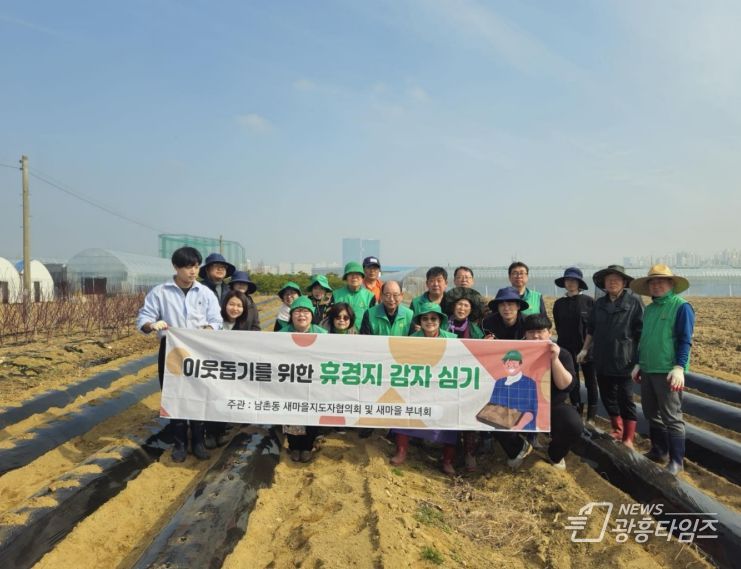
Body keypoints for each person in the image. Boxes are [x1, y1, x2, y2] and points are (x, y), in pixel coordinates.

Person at [136, 246, 223, 463]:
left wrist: (210, 328)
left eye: (196, 266)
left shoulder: (205, 293)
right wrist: (151, 325)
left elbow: (216, 320)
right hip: (171, 350)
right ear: (176, 267)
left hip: (198, 351)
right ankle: (180, 443)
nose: (193, 271)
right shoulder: (160, 292)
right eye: (187, 267)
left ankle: (198, 441)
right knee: (174, 394)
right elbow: (144, 318)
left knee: (199, 393)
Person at [630, 265, 695, 475]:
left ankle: (676, 461)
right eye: (653, 282)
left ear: (671, 284)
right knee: (651, 412)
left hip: (667, 370)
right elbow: (644, 339)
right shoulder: (649, 309)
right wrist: (639, 363)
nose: (656, 285)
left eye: (661, 281)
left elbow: (685, 340)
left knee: (672, 416)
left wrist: (679, 367)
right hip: (648, 368)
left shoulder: (681, 307)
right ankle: (659, 450)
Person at [578, 265, 643, 448]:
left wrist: (639, 361)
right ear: (604, 284)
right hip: (602, 357)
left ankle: (628, 438)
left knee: (626, 398)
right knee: (607, 396)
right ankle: (617, 428)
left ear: (624, 282)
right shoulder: (599, 304)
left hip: (624, 359)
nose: (612, 283)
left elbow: (641, 333)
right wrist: (585, 349)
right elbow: (591, 329)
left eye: (616, 280)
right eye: (609, 280)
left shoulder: (634, 303)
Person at [391, 302, 458, 475]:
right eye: (425, 318)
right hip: (418, 386)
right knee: (403, 407)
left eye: (433, 318)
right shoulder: (411, 340)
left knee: (453, 414)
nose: (429, 322)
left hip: (443, 388)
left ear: (440, 321)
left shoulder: (453, 340)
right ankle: (401, 451)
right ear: (420, 321)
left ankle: (447, 460)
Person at [523, 314, 584, 470]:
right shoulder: (516, 352)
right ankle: (517, 448)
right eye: (531, 332)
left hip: (551, 405)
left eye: (540, 331)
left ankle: (554, 454)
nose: (536, 336)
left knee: (573, 424)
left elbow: (566, 386)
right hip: (520, 404)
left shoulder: (562, 354)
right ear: (525, 334)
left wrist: (554, 359)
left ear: (549, 333)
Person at [278, 296, 328, 462]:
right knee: (291, 413)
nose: (301, 315)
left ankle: (307, 447)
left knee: (311, 414)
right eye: (297, 311)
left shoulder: (322, 334)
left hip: (314, 383)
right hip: (289, 382)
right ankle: (294, 446)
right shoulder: (281, 335)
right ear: (291, 315)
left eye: (306, 311)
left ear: (312, 315)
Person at [204, 290, 253, 449]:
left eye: (239, 306)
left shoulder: (243, 326)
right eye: (231, 304)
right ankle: (209, 432)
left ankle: (220, 431)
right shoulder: (214, 323)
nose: (235, 308)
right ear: (224, 305)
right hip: (213, 368)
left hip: (231, 370)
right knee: (212, 398)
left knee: (226, 399)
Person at [442, 286, 484, 471]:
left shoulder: (475, 330)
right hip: (445, 377)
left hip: (467, 378)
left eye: (466, 306)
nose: (462, 308)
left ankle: (469, 452)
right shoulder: (442, 325)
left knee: (468, 412)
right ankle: (448, 456)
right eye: (459, 304)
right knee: (449, 415)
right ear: (453, 306)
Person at [552, 267, 598, 422]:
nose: (570, 283)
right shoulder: (559, 304)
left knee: (591, 381)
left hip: (586, 348)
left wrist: (587, 348)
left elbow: (594, 327)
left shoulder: (589, 302)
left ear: (579, 283)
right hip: (566, 347)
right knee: (573, 380)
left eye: (574, 280)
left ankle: (591, 416)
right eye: (567, 280)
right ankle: (576, 409)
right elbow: (558, 325)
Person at [331, 262, 375, 331]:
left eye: (357, 274)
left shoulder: (370, 296)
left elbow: (373, 319)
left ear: (362, 278)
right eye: (351, 274)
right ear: (346, 277)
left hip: (363, 335)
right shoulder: (335, 294)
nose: (354, 277)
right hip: (339, 334)